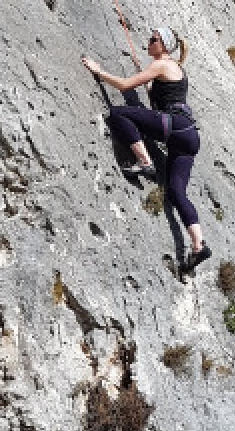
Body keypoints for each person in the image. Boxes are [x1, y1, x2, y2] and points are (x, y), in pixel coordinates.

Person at [82, 27, 212, 275]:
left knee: (118, 114)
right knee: (176, 193)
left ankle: (144, 161)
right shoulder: (173, 68)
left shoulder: (162, 66)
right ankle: (198, 245)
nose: (148, 42)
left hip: (174, 128)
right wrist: (149, 81)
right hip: (188, 137)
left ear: (163, 45)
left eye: (153, 39)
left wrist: (99, 72)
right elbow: (160, 97)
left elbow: (124, 85)